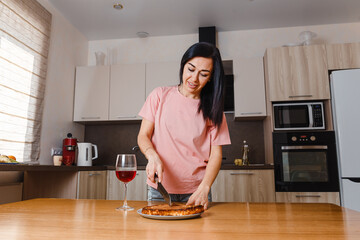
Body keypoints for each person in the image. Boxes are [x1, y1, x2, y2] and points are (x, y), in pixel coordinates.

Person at [137, 42, 231, 210]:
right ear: (183, 66)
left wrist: (205, 187)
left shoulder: (214, 109)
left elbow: (216, 154)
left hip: (196, 190)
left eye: (203, 74)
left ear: (211, 77)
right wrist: (152, 156)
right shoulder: (159, 95)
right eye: (191, 69)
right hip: (160, 188)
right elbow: (143, 135)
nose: (194, 79)